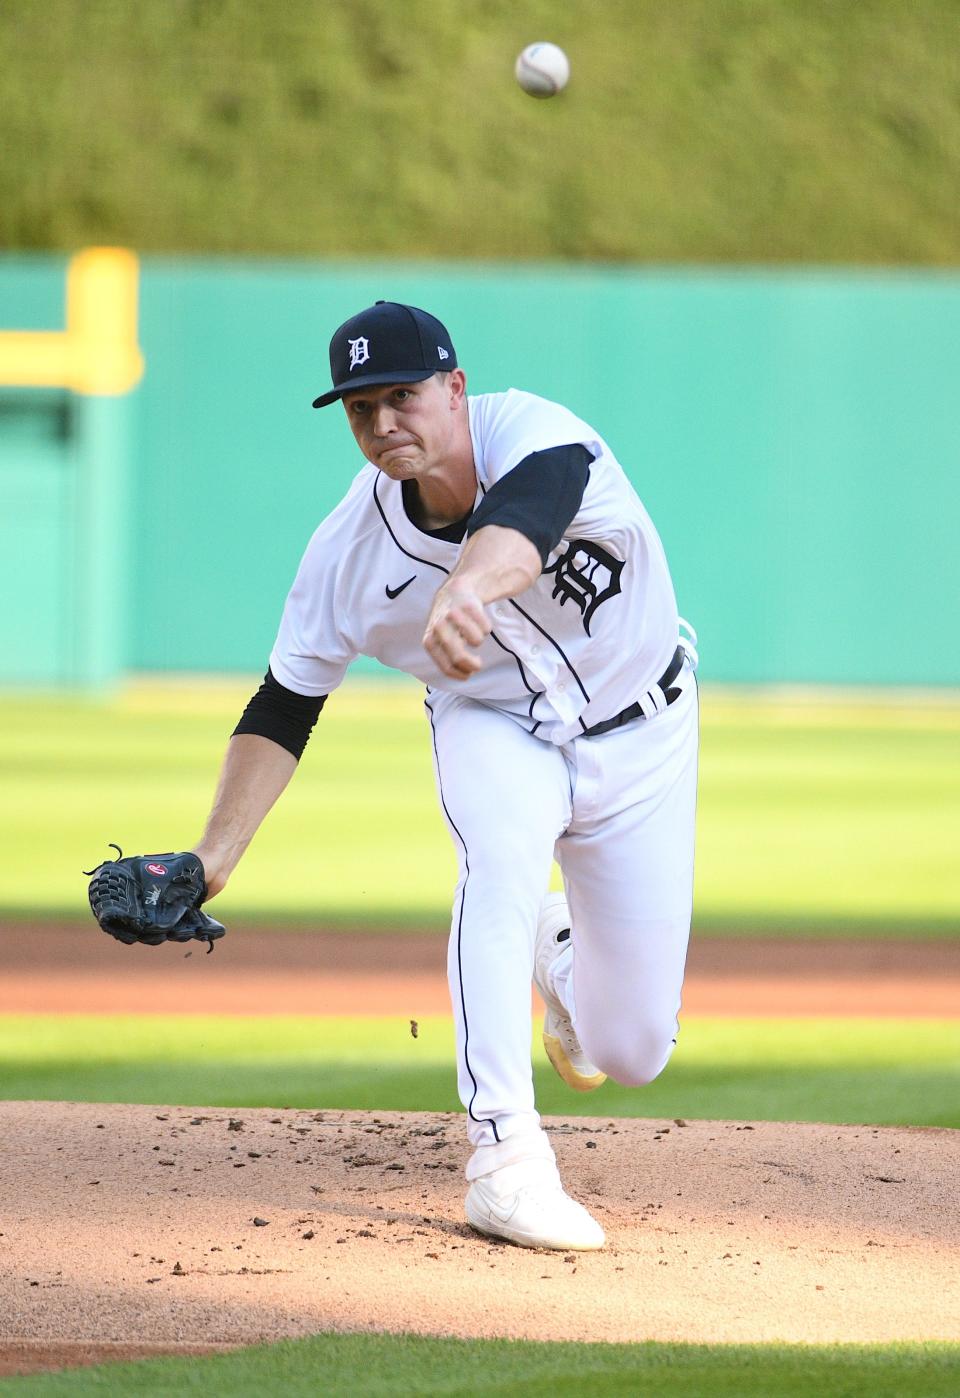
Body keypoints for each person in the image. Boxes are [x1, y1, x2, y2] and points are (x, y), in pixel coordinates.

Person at [192, 301, 699, 1252]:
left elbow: (528, 512)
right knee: (498, 863)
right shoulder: (350, 548)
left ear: (456, 390)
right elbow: (285, 701)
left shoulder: (544, 434)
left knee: (631, 1049)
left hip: (646, 734)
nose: (383, 424)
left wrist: (466, 588)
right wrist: (213, 855)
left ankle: (563, 954)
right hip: (496, 725)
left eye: (402, 396)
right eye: (359, 409)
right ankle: (504, 1162)